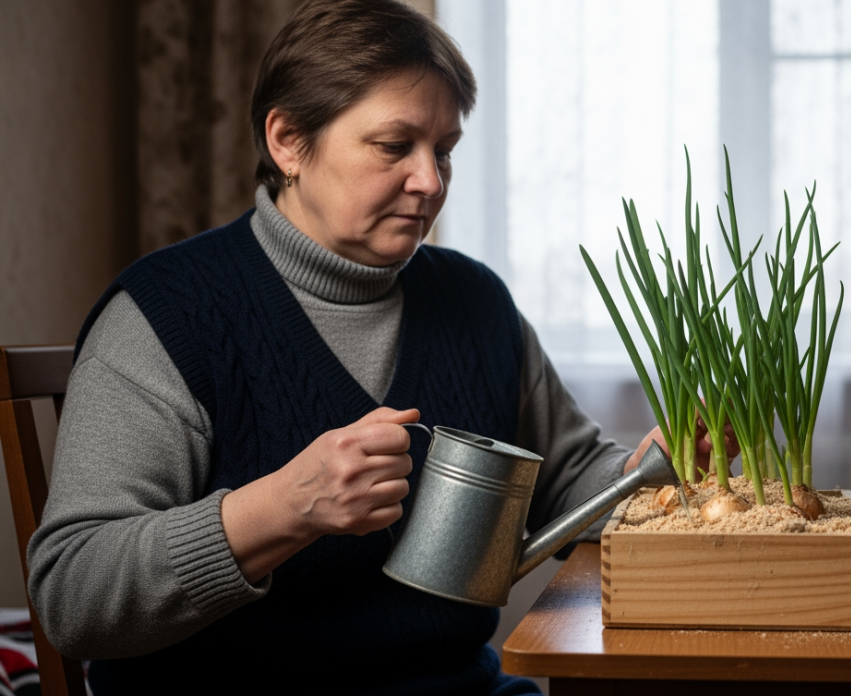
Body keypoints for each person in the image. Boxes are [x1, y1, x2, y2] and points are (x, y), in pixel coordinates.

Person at [25, 1, 724, 693]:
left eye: (443, 151)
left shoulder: (475, 302)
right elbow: (72, 597)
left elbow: (568, 482)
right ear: (287, 141)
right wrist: (284, 506)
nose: (430, 181)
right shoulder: (165, 315)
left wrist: (648, 473)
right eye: (394, 146)